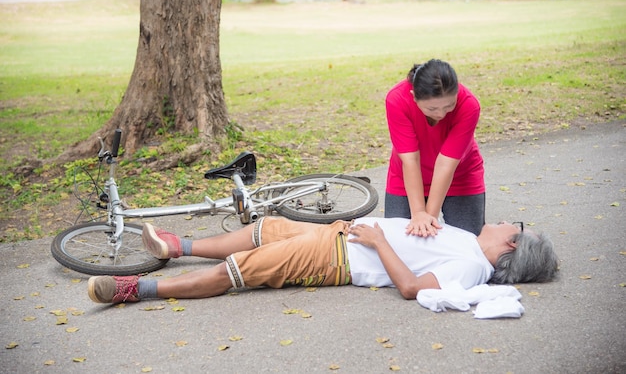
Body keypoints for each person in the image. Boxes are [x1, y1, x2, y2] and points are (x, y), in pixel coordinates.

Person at [87, 217, 558, 304]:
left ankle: (137, 290)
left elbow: (415, 288)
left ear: (512, 245)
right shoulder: (467, 243)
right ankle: (176, 247)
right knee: (263, 229)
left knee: (245, 268)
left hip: (338, 257)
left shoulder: (474, 267)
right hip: (341, 235)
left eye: (512, 224)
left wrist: (377, 241)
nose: (502, 221)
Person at [385, 59, 485, 237]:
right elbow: (410, 160)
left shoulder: (469, 105)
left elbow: (445, 165)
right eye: (432, 108)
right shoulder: (397, 100)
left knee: (469, 242)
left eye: (449, 106)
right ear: (414, 96)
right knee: (397, 241)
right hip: (407, 176)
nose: (441, 114)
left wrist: (429, 219)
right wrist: (418, 214)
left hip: (459, 177)